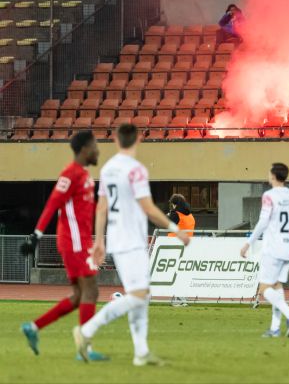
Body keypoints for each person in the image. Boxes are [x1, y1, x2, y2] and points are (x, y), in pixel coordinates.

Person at [74, 124, 191, 365]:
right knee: (139, 295)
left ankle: (141, 352)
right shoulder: (136, 170)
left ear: (116, 139)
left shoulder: (107, 169)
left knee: (142, 296)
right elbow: (148, 208)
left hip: (117, 240)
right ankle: (86, 331)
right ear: (138, 139)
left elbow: (102, 208)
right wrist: (176, 230)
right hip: (131, 241)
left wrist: (99, 240)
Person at [19, 131, 108, 361]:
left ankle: (33, 327)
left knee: (80, 295)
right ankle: (85, 349)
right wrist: (36, 235)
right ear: (85, 150)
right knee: (91, 290)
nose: (98, 150)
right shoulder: (70, 174)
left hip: (82, 242)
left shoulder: (86, 176)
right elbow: (52, 204)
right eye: (95, 146)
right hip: (73, 242)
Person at [240, 163, 289, 338]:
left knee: (263, 289)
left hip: (274, 247)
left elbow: (263, 222)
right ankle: (275, 328)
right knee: (276, 285)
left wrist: (248, 242)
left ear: (273, 176)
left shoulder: (269, 196)